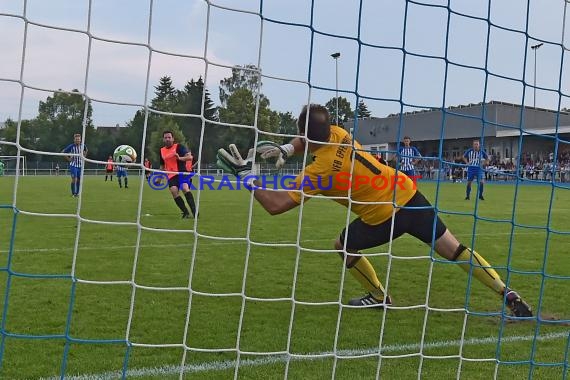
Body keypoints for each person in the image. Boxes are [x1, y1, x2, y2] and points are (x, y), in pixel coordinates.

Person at [218, 104, 532, 317]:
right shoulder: (339, 133)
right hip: (408, 193)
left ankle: (380, 297)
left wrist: (247, 177)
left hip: (384, 216)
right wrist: (287, 147)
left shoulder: (319, 171)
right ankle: (506, 293)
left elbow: (275, 206)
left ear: (308, 133)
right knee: (454, 248)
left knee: (343, 244)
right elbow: (309, 136)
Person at [159, 131, 197, 219]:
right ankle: (185, 212)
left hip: (182, 172)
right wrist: (159, 178)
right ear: (163, 139)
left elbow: (190, 157)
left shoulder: (179, 147)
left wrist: (180, 158)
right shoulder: (162, 151)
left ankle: (194, 212)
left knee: (184, 188)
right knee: (173, 191)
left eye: (169, 137)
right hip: (171, 175)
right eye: (165, 137)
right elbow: (162, 165)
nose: (167, 139)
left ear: (173, 139)